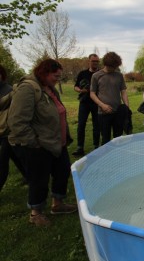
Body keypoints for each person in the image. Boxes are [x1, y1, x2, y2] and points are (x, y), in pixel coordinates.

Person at [7, 59, 77, 226]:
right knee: (39, 179)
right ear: (44, 73)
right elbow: (17, 122)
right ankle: (36, 213)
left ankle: (57, 204)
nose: (58, 79)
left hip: (56, 142)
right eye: (55, 75)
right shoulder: (27, 89)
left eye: (60, 76)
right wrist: (34, 143)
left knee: (62, 171)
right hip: (38, 145)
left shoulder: (50, 88)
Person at [90, 52, 129, 145]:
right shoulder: (96, 76)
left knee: (118, 139)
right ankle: (106, 158)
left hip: (118, 112)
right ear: (106, 64)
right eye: (113, 66)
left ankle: (118, 157)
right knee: (105, 140)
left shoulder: (119, 75)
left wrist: (126, 107)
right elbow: (92, 94)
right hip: (103, 114)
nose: (115, 68)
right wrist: (102, 105)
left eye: (116, 66)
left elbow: (123, 91)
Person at [0, 64, 27, 192]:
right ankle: (29, 176)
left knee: (2, 162)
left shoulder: (10, 90)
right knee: (16, 156)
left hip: (7, 130)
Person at [72, 54, 100, 156]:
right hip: (84, 103)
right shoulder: (82, 73)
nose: (95, 63)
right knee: (81, 125)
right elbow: (75, 87)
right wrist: (80, 90)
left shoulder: (101, 73)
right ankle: (80, 148)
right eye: (93, 61)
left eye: (97, 61)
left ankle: (96, 146)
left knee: (97, 125)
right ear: (89, 61)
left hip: (97, 103)